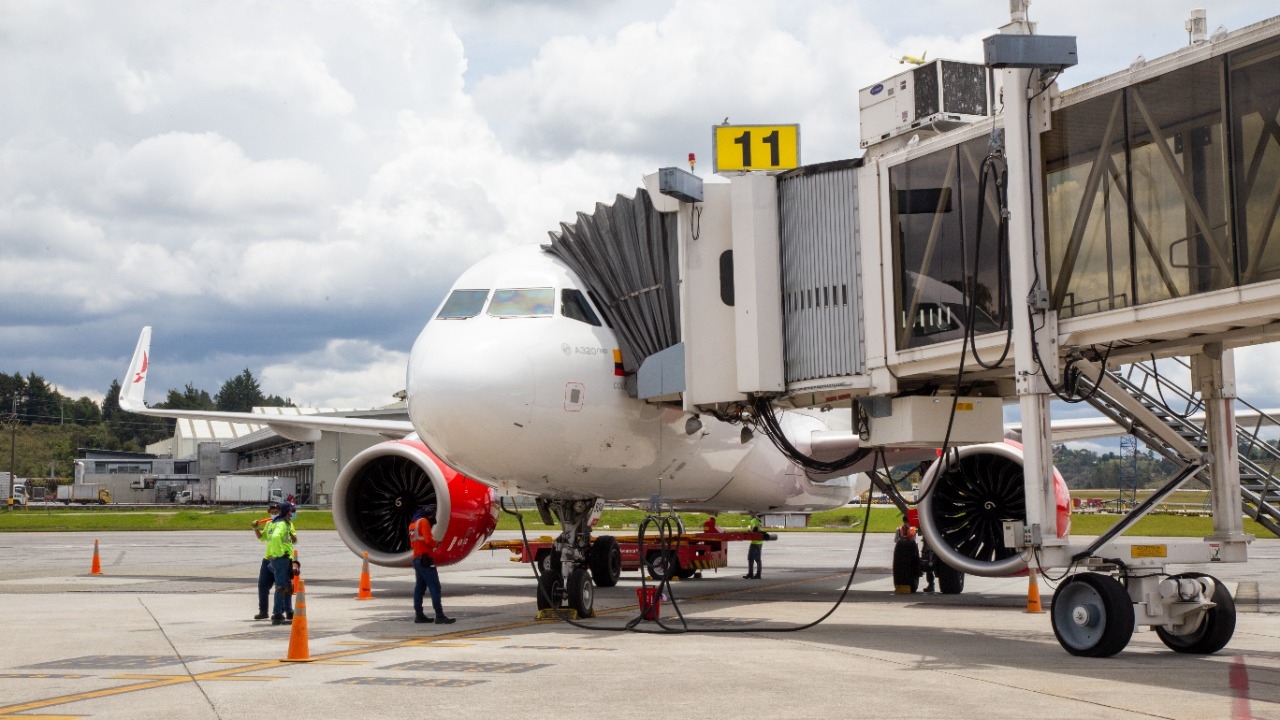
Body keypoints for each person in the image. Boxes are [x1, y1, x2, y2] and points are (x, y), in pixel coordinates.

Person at [409, 505, 454, 625]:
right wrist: (436, 543)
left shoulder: (412, 525)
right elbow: (428, 540)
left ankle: (419, 615)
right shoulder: (424, 522)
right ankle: (439, 615)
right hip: (425, 559)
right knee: (435, 587)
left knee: (420, 588)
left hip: (416, 558)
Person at [256, 500, 297, 625]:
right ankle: (277, 613)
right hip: (278, 558)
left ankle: (288, 610)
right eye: (292, 511)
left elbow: (293, 540)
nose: (294, 513)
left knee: (287, 585)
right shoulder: (278, 524)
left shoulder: (285, 524)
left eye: (275, 511)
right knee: (279, 586)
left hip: (282, 557)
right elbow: (272, 538)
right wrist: (279, 554)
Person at [252, 503, 280, 620]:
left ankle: (279, 612)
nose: (273, 514)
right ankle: (263, 611)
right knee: (262, 586)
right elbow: (262, 538)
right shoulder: (268, 524)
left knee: (280, 587)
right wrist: (256, 528)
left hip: (279, 559)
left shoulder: (283, 524)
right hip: (267, 559)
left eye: (276, 512)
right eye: (272, 512)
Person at [743, 514, 763, 579]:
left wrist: (750, 532)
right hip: (760, 542)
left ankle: (750, 573)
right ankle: (758, 574)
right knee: (758, 559)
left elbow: (755, 529)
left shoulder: (753, 521)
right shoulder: (759, 521)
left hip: (754, 542)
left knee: (750, 558)